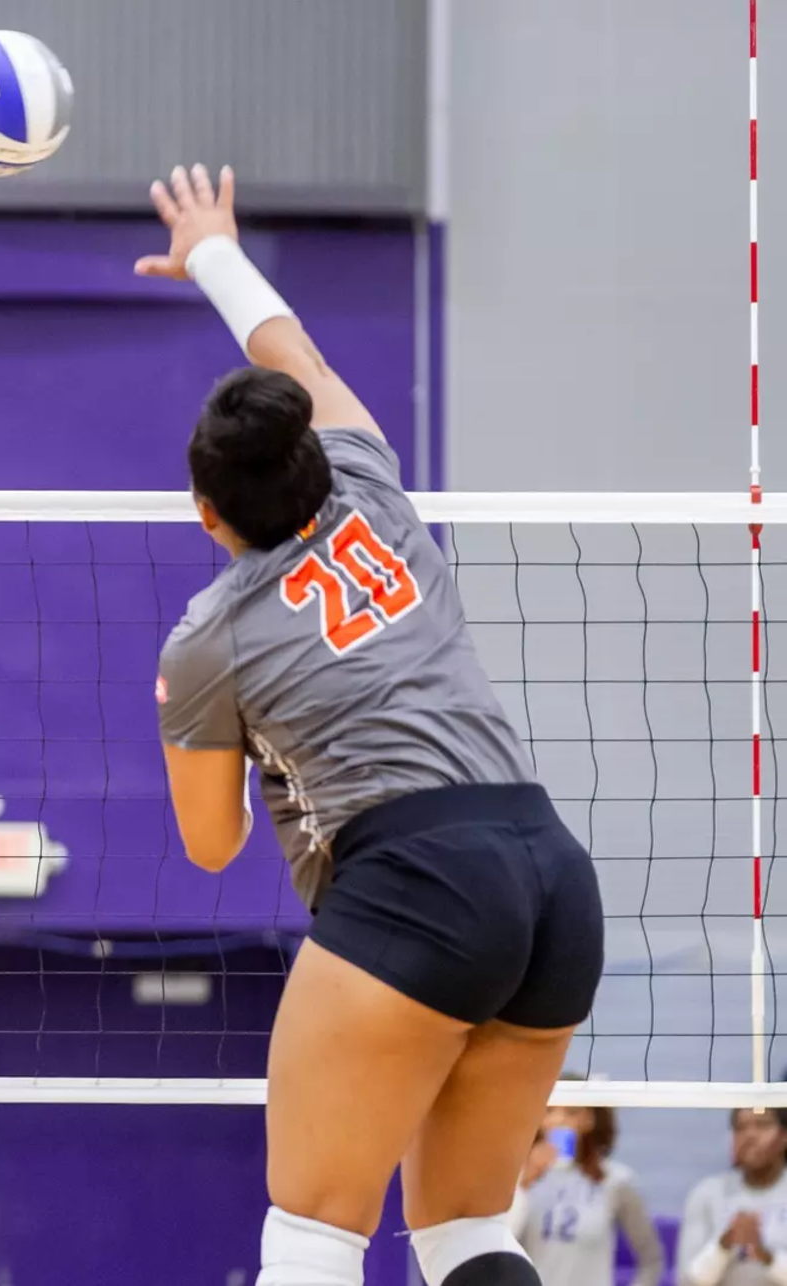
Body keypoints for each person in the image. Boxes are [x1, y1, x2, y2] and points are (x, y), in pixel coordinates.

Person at [142, 164, 604, 1286]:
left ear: (206, 515)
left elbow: (211, 846)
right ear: (312, 453)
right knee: (467, 1231)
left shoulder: (208, 639)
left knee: (312, 1236)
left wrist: (222, 728)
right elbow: (294, 353)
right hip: (551, 874)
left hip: (417, 882)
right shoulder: (367, 480)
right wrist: (213, 250)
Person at [507, 1092, 662, 1286]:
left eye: (572, 1112)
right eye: (550, 1111)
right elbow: (497, 1244)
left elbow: (651, 1259)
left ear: (590, 1119)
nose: (559, 1120)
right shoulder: (515, 1180)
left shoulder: (615, 1181)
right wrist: (524, 1182)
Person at [678, 1108, 787, 1286]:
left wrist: (767, 1257)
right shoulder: (706, 1194)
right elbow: (686, 1281)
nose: (750, 1135)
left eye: (762, 1125)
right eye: (740, 1127)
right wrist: (724, 1245)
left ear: (784, 1136)